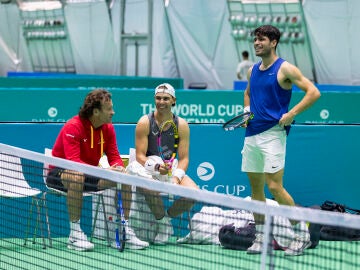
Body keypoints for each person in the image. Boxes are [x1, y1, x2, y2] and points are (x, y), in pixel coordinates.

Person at [241, 25, 321, 256]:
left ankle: (302, 234)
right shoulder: (252, 70)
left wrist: (292, 114)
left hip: (273, 134)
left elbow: (313, 92)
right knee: (256, 189)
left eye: (262, 39)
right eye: (255, 40)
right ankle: (261, 236)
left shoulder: (285, 68)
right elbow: (248, 93)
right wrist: (247, 111)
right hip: (251, 134)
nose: (256, 43)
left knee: (274, 186)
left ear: (273, 42)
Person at [46, 88, 149, 251]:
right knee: (77, 176)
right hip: (60, 173)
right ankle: (74, 234)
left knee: (125, 178)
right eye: (109, 109)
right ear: (96, 111)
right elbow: (74, 163)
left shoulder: (107, 128)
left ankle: (123, 230)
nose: (113, 112)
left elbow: (114, 156)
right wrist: (107, 172)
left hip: (90, 173)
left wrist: (119, 169)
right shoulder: (73, 127)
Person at [132, 83, 199, 245]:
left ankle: (166, 218)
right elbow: (140, 155)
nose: (161, 102)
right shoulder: (144, 122)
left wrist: (176, 178)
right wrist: (156, 167)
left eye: (165, 98)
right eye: (158, 98)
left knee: (194, 193)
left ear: (173, 100)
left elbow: (183, 158)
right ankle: (163, 226)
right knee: (149, 188)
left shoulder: (181, 125)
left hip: (171, 168)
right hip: (148, 169)